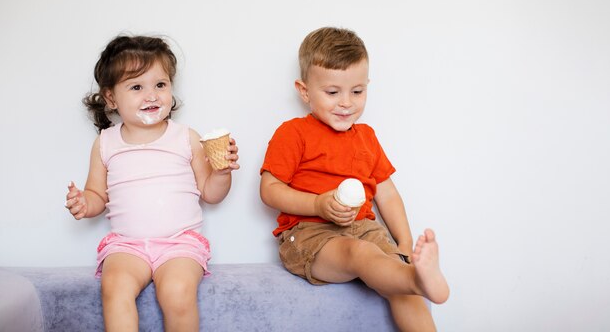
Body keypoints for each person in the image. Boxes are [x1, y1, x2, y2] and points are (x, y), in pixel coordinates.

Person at [259, 27, 449, 331]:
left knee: (399, 284)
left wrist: (404, 242)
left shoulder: (367, 137)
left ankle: (412, 278)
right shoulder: (293, 132)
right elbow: (269, 190)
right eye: (333, 92)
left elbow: (387, 194)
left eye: (357, 91)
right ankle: (414, 278)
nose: (346, 102)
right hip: (311, 234)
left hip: (366, 230)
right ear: (305, 90)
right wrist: (319, 205)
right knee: (360, 254)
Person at [65, 35, 240, 331]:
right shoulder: (105, 143)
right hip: (127, 245)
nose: (152, 96)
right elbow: (97, 193)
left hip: (179, 243)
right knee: (115, 287)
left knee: (177, 292)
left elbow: (210, 193)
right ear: (111, 98)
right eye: (136, 87)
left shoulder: (186, 137)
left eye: (160, 85)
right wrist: (85, 202)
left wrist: (222, 173)